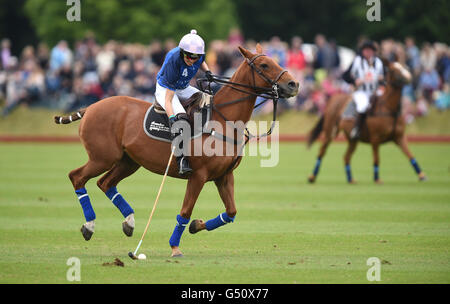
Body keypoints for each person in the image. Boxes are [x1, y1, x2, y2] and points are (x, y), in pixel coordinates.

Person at [155, 29, 212, 176]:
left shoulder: (197, 55)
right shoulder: (173, 60)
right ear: (182, 52)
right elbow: (168, 99)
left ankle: (202, 136)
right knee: (181, 119)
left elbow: (201, 61)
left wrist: (208, 71)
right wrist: (172, 118)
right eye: (189, 57)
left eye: (195, 58)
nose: (192, 60)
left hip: (183, 87)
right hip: (166, 89)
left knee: (209, 101)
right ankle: (181, 160)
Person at [343, 40, 384, 140]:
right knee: (362, 106)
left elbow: (385, 76)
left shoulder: (378, 62)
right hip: (362, 92)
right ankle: (357, 128)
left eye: (370, 50)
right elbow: (345, 75)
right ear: (363, 51)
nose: (368, 53)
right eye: (366, 50)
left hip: (375, 90)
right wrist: (354, 81)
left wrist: (382, 79)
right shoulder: (357, 61)